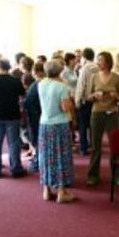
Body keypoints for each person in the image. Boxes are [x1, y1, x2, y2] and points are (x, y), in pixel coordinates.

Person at [38, 60, 76, 203]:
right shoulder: (61, 86)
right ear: (60, 71)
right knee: (61, 156)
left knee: (46, 156)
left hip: (44, 124)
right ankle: (61, 191)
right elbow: (65, 107)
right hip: (59, 125)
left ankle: (46, 190)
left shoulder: (41, 84)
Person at [0, 59, 27, 178]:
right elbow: (22, 95)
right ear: (8, 67)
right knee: (14, 143)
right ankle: (16, 168)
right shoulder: (15, 81)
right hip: (13, 115)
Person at [87, 51, 119, 185]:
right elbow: (88, 96)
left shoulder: (117, 78)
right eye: (98, 60)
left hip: (112, 113)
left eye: (100, 60)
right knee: (96, 145)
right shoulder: (94, 77)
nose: (98, 62)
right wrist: (95, 95)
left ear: (108, 62)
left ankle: (117, 175)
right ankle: (92, 175)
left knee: (115, 145)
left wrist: (115, 96)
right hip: (97, 112)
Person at [75, 47, 99, 155]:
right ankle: (94, 146)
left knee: (83, 125)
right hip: (96, 99)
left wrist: (77, 100)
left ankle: (83, 148)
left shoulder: (84, 69)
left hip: (85, 100)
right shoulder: (98, 67)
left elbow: (81, 86)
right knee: (93, 124)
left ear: (84, 57)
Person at [24, 62, 45, 172]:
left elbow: (28, 103)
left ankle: (38, 162)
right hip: (43, 115)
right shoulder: (48, 83)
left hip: (36, 117)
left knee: (37, 140)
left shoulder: (35, 85)